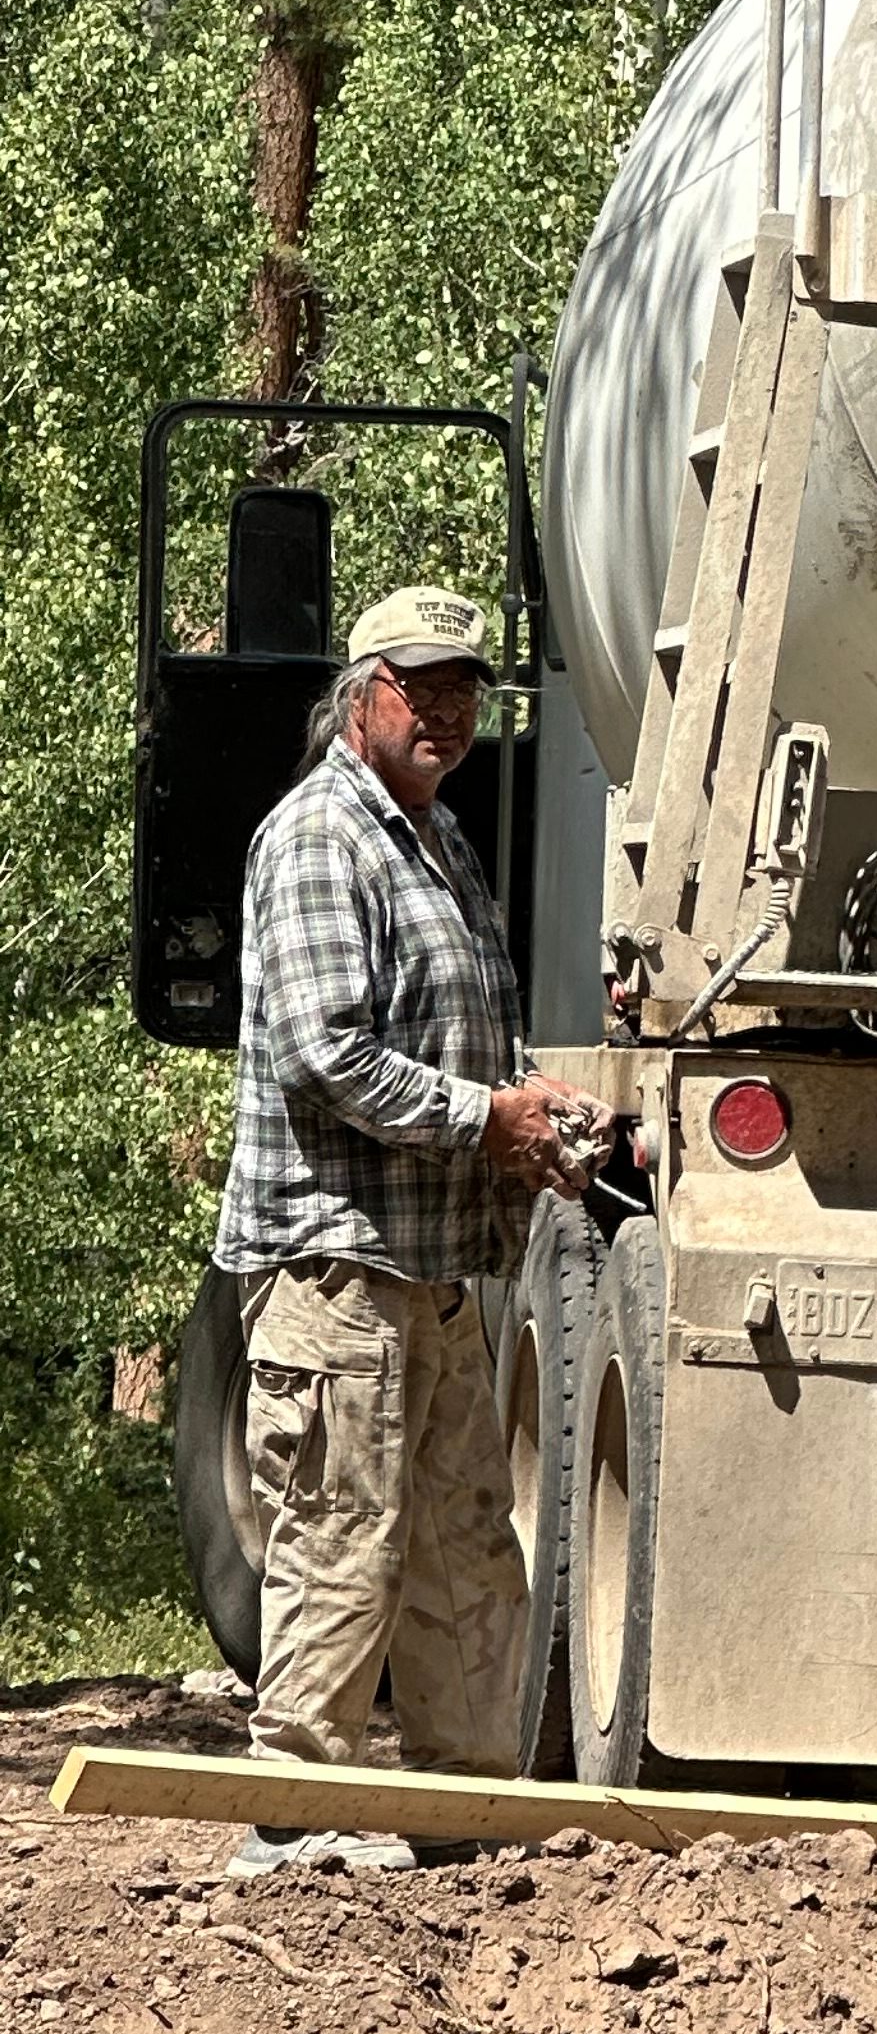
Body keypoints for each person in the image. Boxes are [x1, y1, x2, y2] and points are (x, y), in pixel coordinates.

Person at [210, 585, 582, 1876]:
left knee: (467, 1550)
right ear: (360, 696)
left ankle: (464, 1818)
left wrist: (533, 1106)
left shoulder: (438, 836)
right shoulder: (322, 835)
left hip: (432, 1269)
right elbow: (326, 1053)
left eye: (466, 690)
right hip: (336, 1272)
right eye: (420, 689)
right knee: (338, 1542)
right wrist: (489, 1120)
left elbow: (457, 1032)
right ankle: (291, 1829)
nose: (448, 713)